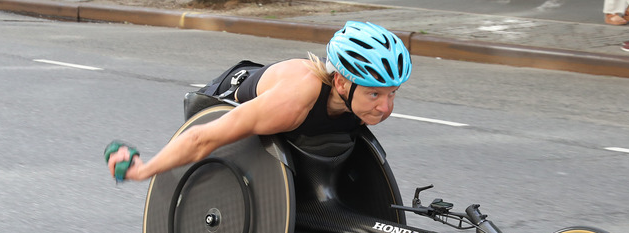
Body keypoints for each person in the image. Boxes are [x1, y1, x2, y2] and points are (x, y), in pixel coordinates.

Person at [106, 21, 412, 181]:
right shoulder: (294, 99)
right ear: (342, 82)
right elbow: (202, 138)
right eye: (375, 94)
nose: (386, 108)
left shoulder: (356, 98)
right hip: (219, 102)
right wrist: (142, 170)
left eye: (392, 93)